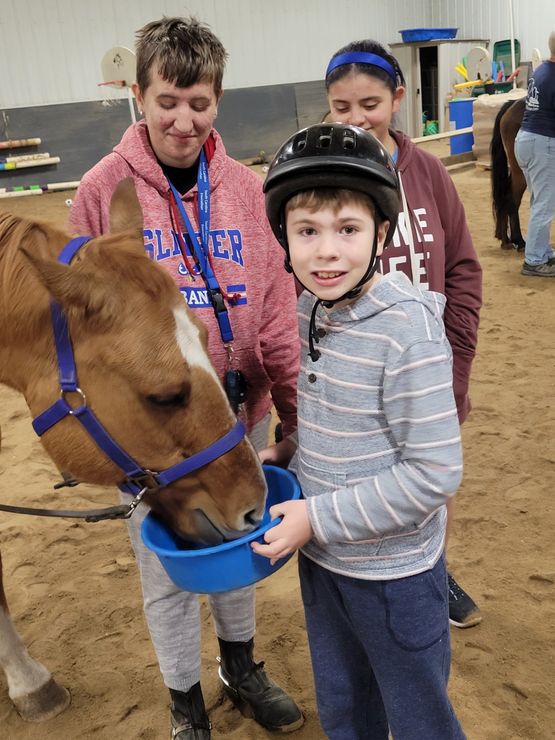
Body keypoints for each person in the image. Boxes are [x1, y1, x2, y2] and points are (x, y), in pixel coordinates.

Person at [69, 16, 303, 740]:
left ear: (218, 102)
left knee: (237, 549)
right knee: (164, 567)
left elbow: (272, 305)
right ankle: (183, 701)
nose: (183, 119)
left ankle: (240, 667)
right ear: (139, 94)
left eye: (199, 103)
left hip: (237, 413)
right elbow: (87, 322)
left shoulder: (242, 187)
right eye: (168, 100)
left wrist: (286, 406)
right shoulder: (100, 189)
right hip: (157, 429)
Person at [257, 122, 466, 739]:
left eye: (347, 230)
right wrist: (291, 449)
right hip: (323, 565)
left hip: (394, 577)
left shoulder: (408, 333)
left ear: (381, 232)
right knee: (345, 707)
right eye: (307, 232)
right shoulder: (309, 308)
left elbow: (432, 473)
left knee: (418, 715)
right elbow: (337, 415)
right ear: (284, 237)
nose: (326, 252)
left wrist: (314, 518)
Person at [318, 39, 483, 628]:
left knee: (429, 481)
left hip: (426, 370)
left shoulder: (431, 173)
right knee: (359, 482)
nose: (357, 118)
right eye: (341, 106)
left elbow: (462, 268)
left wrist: (455, 363)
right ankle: (356, 587)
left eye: (370, 103)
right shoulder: (324, 175)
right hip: (354, 374)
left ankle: (434, 569)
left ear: (398, 98)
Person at [515, 31, 555, 277]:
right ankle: (533, 261)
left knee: (540, 200)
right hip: (544, 143)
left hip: (526, 139)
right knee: (544, 203)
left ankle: (541, 250)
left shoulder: (540, 71)